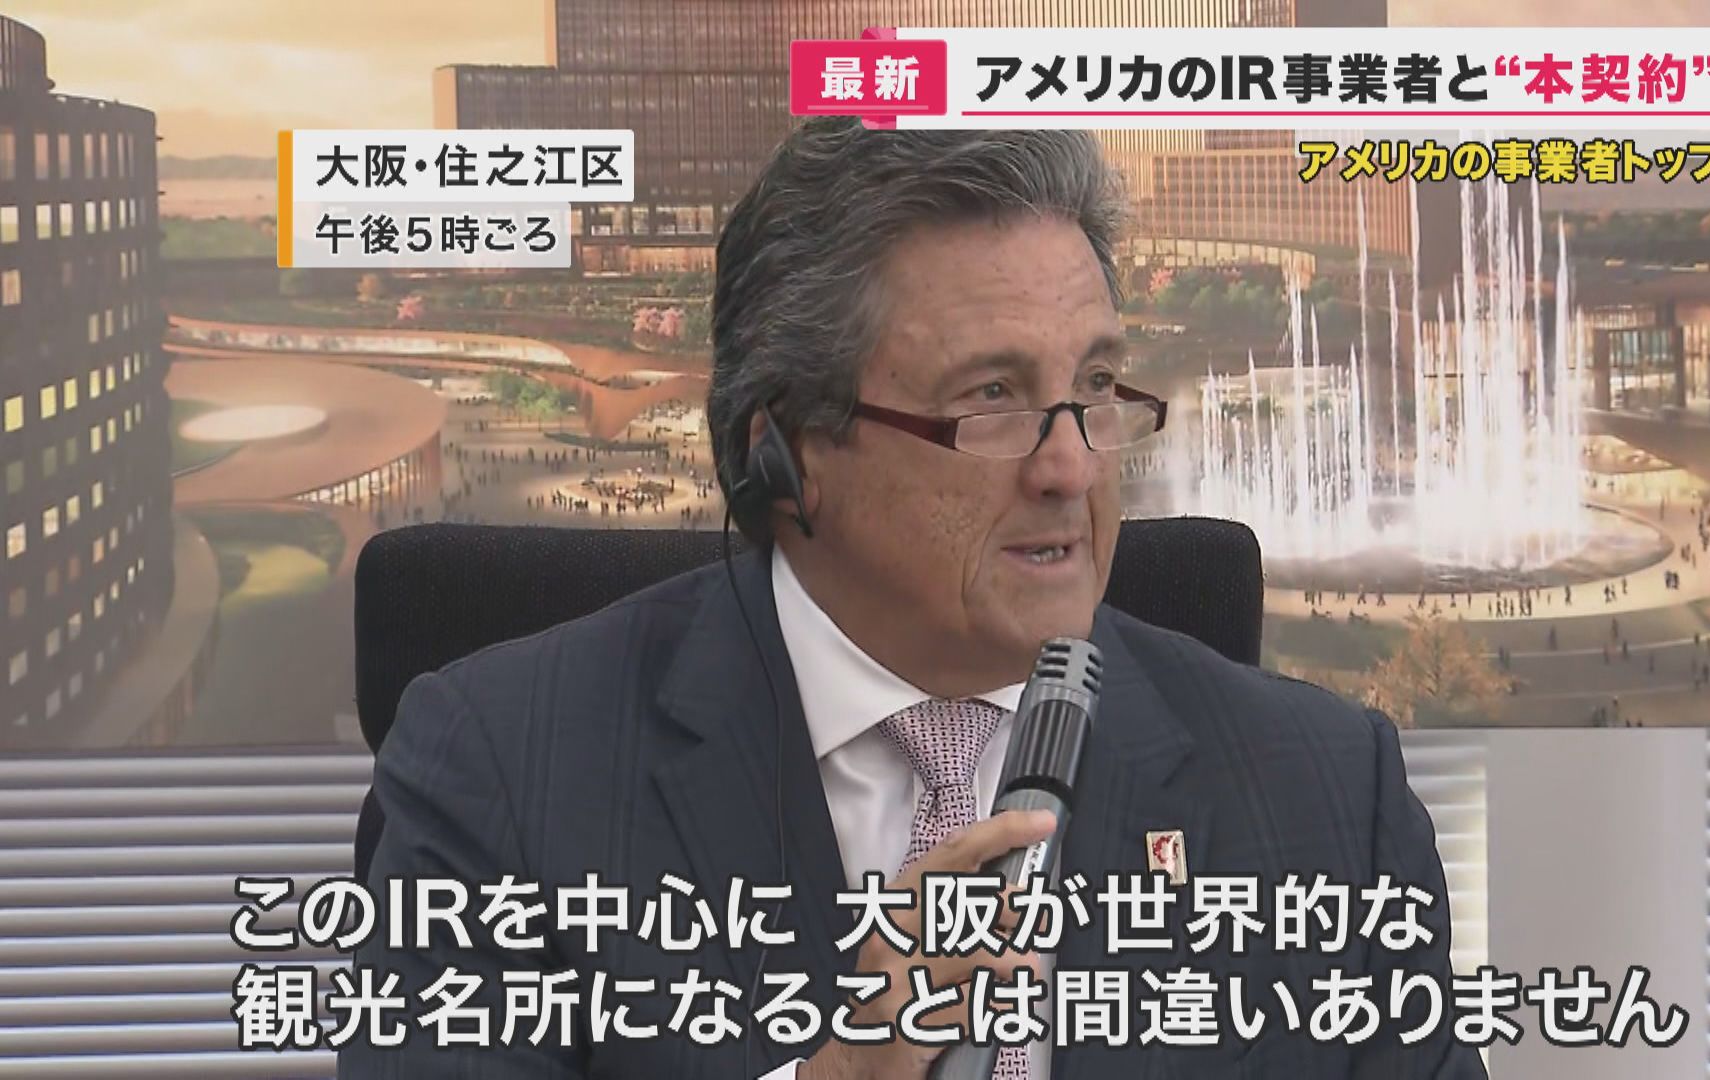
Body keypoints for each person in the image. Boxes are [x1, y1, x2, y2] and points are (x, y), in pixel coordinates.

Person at [344, 117, 1480, 1080]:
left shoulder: (1332, 796)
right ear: (789, 456)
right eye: (991, 399)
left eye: (1094, 386)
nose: (1071, 465)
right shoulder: (500, 778)